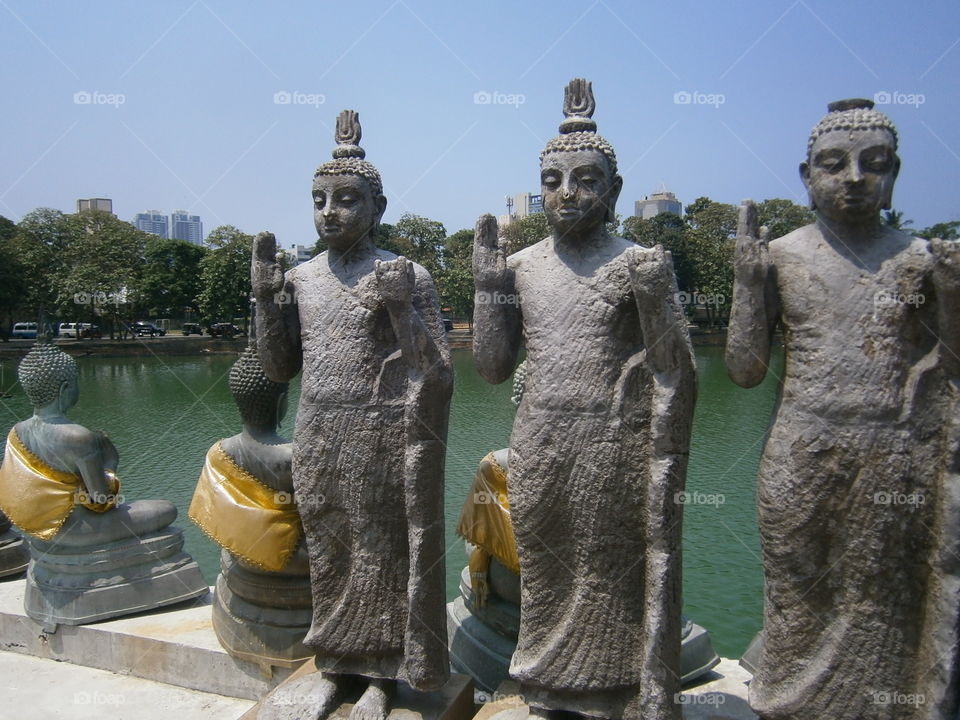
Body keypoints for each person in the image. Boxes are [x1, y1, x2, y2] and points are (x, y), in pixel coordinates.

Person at [726, 99, 960, 720]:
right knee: (798, 599)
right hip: (800, 453)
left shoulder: (921, 260)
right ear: (807, 177)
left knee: (885, 603)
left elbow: (950, 372)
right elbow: (745, 371)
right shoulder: (781, 255)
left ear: (895, 173)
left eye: (872, 163)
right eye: (834, 164)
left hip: (895, 457)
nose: (854, 177)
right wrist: (748, 286)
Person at [473, 78, 696, 720]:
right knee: (546, 568)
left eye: (586, 180)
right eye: (551, 180)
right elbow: (490, 368)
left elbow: (674, 372)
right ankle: (546, 684)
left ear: (614, 191)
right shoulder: (522, 267)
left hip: (614, 440)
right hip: (541, 436)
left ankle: (624, 686)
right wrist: (488, 287)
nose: (566, 194)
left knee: (611, 567)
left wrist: (665, 461)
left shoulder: (638, 263)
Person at [252, 110, 452, 720]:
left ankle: (383, 676)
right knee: (330, 547)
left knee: (381, 550)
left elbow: (437, 369)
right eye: (319, 200)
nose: (329, 212)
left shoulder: (404, 274)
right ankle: (336, 665)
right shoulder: (302, 278)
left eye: (345, 199)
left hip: (381, 427)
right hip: (319, 426)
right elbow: (280, 366)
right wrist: (264, 299)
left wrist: (401, 310)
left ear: (378, 205)